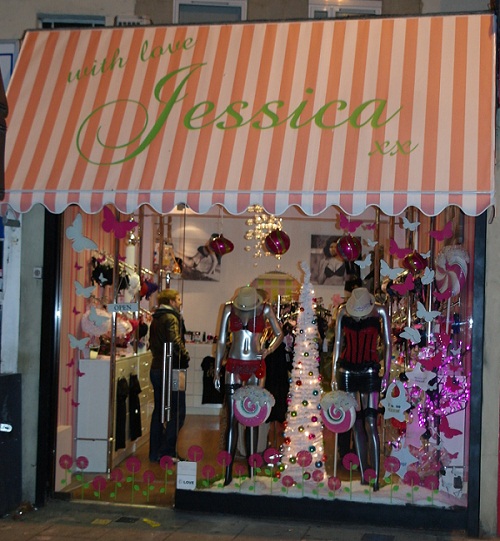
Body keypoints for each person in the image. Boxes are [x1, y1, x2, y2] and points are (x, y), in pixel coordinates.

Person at [214, 285, 284, 485]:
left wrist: (268, 350)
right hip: (234, 365)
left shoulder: (265, 309)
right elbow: (221, 340)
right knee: (232, 420)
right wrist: (217, 369)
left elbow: (279, 334)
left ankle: (252, 473)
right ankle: (228, 474)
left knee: (253, 420)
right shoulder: (229, 309)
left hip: (255, 366)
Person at [331, 287, 391, 491]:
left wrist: (387, 373)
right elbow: (338, 343)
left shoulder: (380, 311)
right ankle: (365, 475)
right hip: (347, 371)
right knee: (356, 423)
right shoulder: (343, 312)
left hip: (370, 371)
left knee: (371, 423)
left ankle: (376, 477)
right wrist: (334, 374)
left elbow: (388, 343)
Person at [148, 289, 190, 463]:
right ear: (171, 301)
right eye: (178, 299)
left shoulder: (156, 318)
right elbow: (174, 342)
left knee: (159, 411)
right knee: (178, 411)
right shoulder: (172, 318)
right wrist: (185, 356)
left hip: (157, 368)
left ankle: (155, 452)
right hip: (173, 369)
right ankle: (167, 452)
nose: (180, 302)